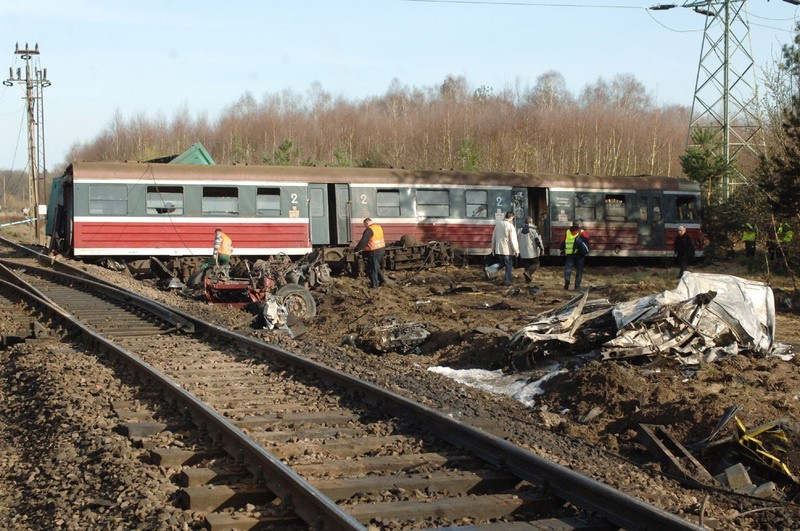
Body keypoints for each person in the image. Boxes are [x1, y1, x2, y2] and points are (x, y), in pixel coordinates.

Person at [485, 211, 519, 285]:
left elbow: (493, 237)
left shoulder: (498, 225)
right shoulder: (510, 226)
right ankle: (507, 280)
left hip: (499, 249)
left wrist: (493, 248)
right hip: (507, 250)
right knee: (508, 265)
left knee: (502, 263)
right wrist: (516, 250)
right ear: (511, 217)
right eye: (513, 218)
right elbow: (513, 239)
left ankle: (489, 269)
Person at [354, 217, 386, 289]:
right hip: (381, 249)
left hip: (373, 251)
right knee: (376, 266)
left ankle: (375, 286)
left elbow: (363, 241)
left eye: (364, 225)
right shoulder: (379, 227)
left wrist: (357, 249)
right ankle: (382, 281)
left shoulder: (369, 230)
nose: (364, 226)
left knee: (372, 269)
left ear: (367, 223)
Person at [560, 220, 590, 290]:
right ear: (579, 225)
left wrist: (562, 250)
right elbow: (587, 239)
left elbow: (563, 242)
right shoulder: (581, 232)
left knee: (568, 268)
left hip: (570, 253)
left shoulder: (567, 232)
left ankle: (567, 280)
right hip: (579, 254)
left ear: (573, 224)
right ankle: (577, 286)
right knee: (579, 270)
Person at [518, 216, 544, 283]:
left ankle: (528, 281)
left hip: (523, 252)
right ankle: (528, 273)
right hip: (532, 251)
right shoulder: (534, 230)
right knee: (536, 263)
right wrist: (542, 249)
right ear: (531, 222)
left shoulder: (519, 230)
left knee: (527, 265)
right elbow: (538, 240)